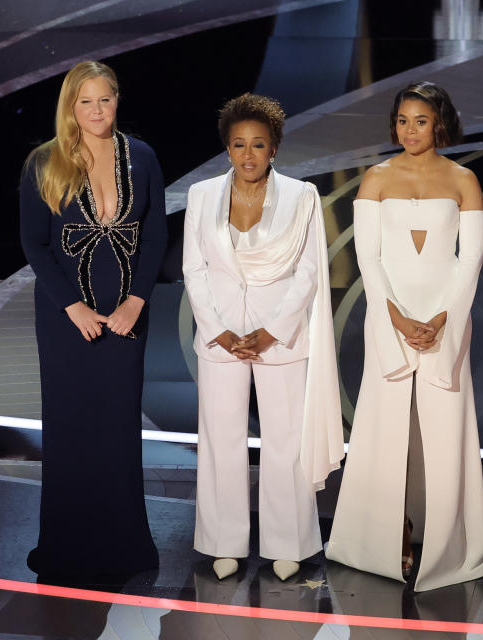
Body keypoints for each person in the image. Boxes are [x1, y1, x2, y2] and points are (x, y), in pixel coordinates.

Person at [325, 81, 483, 592]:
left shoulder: (464, 179)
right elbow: (368, 258)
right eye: (402, 120)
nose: (409, 130)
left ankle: (445, 540)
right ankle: (389, 531)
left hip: (447, 320)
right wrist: (396, 317)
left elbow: (471, 259)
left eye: (419, 120)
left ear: (439, 122)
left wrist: (444, 317)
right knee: (386, 426)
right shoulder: (376, 179)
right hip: (390, 319)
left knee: (443, 429)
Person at [183, 93, 344, 582]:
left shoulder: (302, 196)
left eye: (257, 145)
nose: (248, 155)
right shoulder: (202, 195)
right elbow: (194, 268)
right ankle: (221, 542)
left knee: (285, 443)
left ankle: (288, 542)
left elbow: (311, 271)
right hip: (220, 338)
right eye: (238, 145)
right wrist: (221, 331)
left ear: (274, 147)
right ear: (226, 149)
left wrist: (270, 331)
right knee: (221, 440)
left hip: (281, 337)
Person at [19, 60, 166, 579]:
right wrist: (72, 306)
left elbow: (155, 236)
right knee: (70, 425)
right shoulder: (45, 162)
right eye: (86, 102)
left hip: (126, 314)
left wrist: (136, 301)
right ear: (71, 107)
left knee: (119, 426)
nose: (97, 111)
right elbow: (34, 244)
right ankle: (66, 544)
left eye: (105, 99)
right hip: (66, 316)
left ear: (117, 100)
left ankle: (124, 545)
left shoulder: (142, 157)